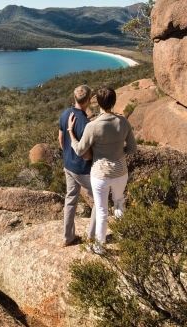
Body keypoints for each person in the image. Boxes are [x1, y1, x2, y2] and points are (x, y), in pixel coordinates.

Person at [68, 86, 137, 253]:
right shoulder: (123, 122)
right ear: (114, 102)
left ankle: (100, 246)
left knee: (101, 210)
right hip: (120, 171)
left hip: (100, 174)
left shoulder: (93, 126)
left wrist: (71, 132)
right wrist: (120, 153)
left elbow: (79, 150)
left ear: (98, 102)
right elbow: (133, 148)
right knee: (119, 201)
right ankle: (122, 234)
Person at [58, 85, 96, 247]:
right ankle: (93, 237)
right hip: (82, 170)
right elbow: (86, 155)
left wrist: (68, 154)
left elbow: (60, 139)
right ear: (88, 100)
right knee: (99, 201)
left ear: (74, 98)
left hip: (68, 165)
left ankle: (68, 237)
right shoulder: (87, 124)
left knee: (71, 199)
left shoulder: (65, 114)